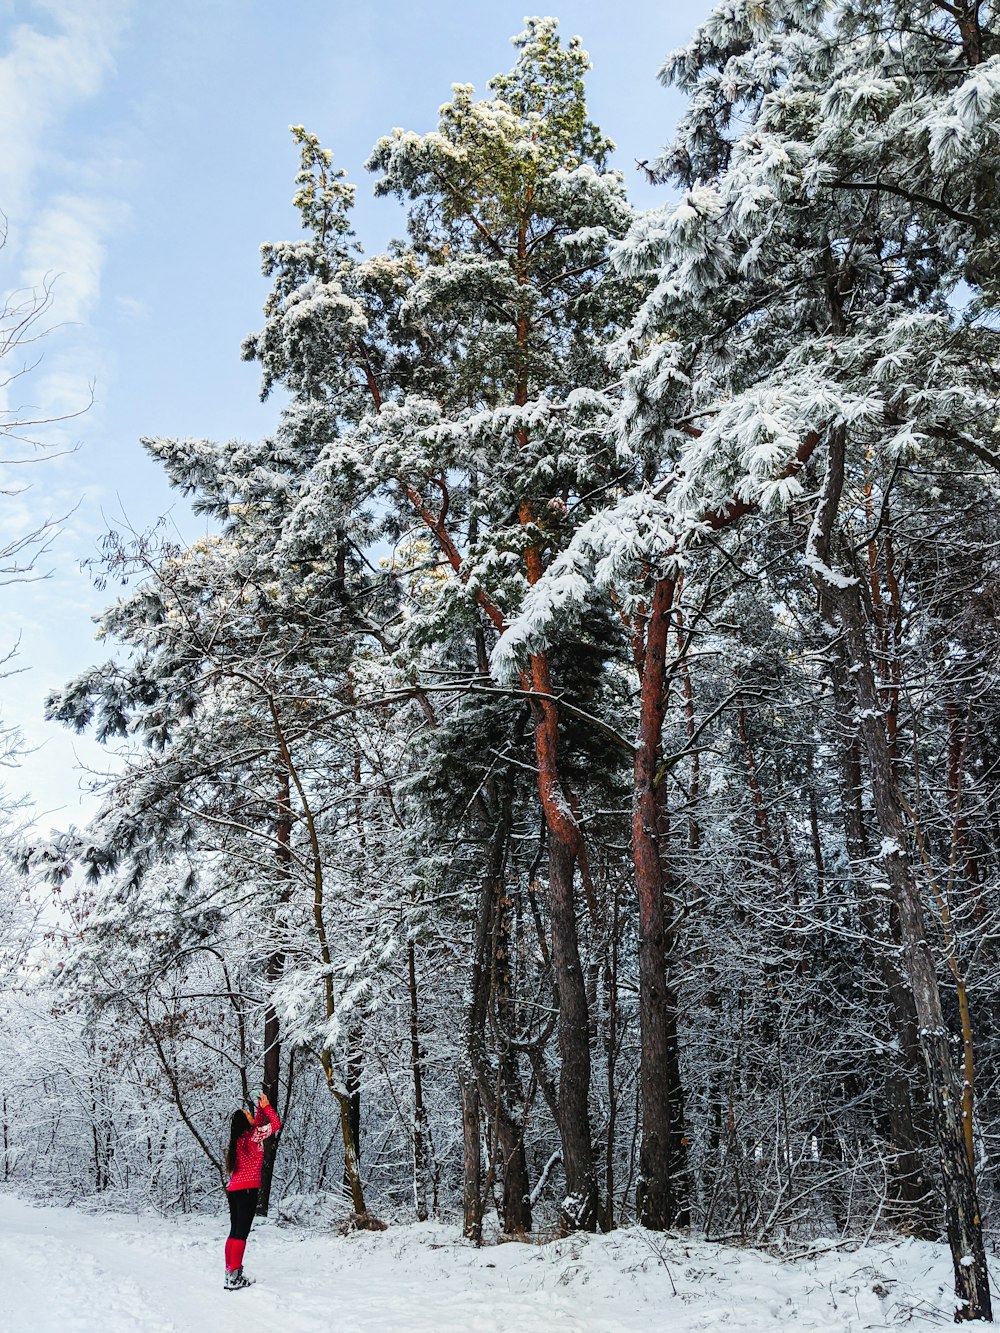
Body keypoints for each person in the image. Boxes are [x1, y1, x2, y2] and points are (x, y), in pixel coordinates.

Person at [223, 1092, 282, 1290]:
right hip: (247, 1190)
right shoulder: (253, 1136)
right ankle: (235, 1276)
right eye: (247, 1113)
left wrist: (259, 1108)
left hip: (234, 1190)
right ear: (244, 1122)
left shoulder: (238, 1140)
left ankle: (230, 1272)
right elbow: (275, 1125)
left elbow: (255, 1125)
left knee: (233, 1232)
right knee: (241, 1234)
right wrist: (266, 1108)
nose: (251, 1115)